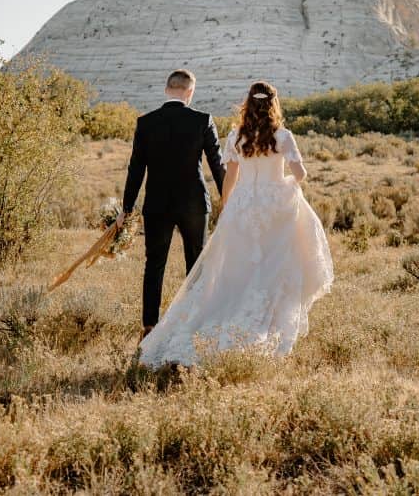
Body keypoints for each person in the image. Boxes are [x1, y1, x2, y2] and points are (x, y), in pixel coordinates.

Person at [137, 80, 333, 367]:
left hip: (243, 206)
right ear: (273, 105)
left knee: (237, 268)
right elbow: (300, 174)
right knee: (272, 266)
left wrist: (228, 204)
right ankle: (266, 324)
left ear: (248, 104)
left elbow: (229, 177)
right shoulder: (283, 136)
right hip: (275, 208)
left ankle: (213, 320)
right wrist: (283, 185)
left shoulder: (236, 136)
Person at [117, 69, 225, 338]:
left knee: (154, 264)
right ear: (190, 92)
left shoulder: (146, 123)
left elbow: (135, 170)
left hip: (157, 204)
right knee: (196, 266)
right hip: (194, 205)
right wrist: (229, 199)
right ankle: (192, 324)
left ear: (167, 90)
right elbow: (217, 165)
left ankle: (149, 326)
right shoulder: (203, 120)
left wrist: (126, 209)